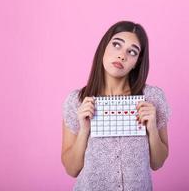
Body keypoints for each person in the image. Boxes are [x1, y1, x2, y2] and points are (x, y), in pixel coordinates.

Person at [61, 21, 171, 191]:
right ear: (104, 47)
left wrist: (152, 129)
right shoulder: (76, 101)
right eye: (116, 45)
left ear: (137, 61)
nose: (122, 55)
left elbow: (158, 163)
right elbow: (71, 169)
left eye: (132, 51)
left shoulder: (152, 98)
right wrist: (84, 130)